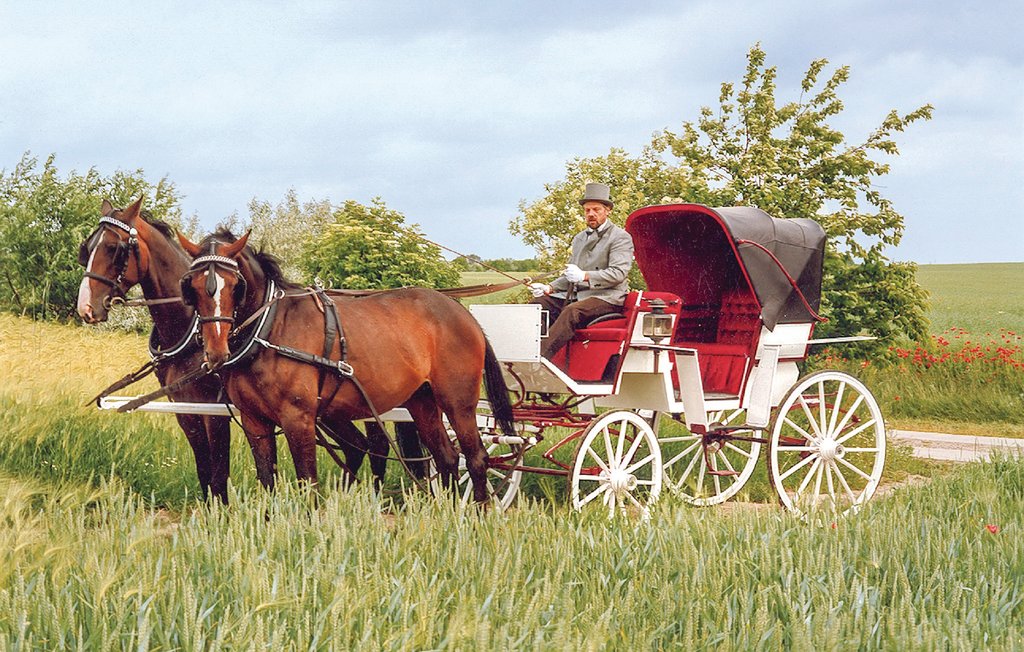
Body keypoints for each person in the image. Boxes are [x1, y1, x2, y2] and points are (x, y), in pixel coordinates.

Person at [529, 182, 634, 360]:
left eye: (596, 209)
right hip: (580, 296)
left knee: (572, 311)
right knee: (538, 305)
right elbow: (570, 274)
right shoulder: (579, 238)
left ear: (607, 210)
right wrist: (550, 288)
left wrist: (584, 276)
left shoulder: (620, 237)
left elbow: (618, 274)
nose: (591, 214)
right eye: (587, 210)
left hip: (607, 297)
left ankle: (540, 359)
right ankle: (522, 354)